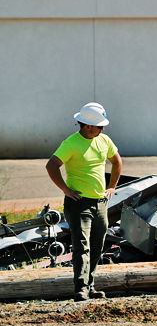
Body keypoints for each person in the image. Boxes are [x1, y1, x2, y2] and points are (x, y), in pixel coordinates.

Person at [45, 102, 123, 302]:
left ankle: (90, 285)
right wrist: (65, 189)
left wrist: (112, 186)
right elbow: (52, 164)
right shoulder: (71, 143)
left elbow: (117, 161)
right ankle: (81, 288)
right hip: (78, 203)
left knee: (97, 245)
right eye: (98, 126)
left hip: (100, 202)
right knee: (81, 246)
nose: (100, 129)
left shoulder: (104, 140)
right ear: (87, 125)